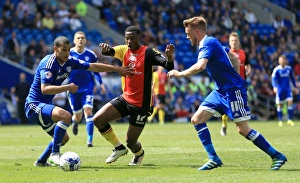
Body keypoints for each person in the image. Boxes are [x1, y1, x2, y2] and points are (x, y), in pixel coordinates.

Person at [167, 16, 287, 171]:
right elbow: (233, 57)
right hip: (220, 90)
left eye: (188, 32)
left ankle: (277, 156)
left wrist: (180, 74)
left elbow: (201, 66)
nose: (186, 36)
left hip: (232, 91)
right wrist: (235, 75)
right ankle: (213, 158)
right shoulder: (211, 42)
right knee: (197, 119)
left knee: (242, 129)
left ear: (197, 31)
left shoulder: (208, 43)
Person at [25, 36, 132, 167]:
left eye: (68, 50)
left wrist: (118, 69)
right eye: (63, 50)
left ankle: (41, 161)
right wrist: (67, 87)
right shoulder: (48, 63)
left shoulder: (70, 61)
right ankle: (54, 155)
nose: (67, 53)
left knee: (63, 138)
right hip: (33, 105)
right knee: (66, 116)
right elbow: (45, 89)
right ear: (55, 49)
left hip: (44, 106)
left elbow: (93, 66)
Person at [93, 26, 174, 165]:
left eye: (132, 38)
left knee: (130, 142)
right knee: (98, 119)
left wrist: (170, 56)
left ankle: (139, 153)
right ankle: (118, 148)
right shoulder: (123, 50)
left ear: (139, 38)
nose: (129, 41)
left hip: (141, 105)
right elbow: (110, 51)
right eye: (127, 38)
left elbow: (168, 66)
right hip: (125, 99)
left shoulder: (149, 52)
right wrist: (105, 50)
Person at [69, 31, 107, 147]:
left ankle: (89, 141)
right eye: (78, 38)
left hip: (87, 87)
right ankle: (75, 122)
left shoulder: (91, 55)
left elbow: (95, 70)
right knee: (78, 116)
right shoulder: (68, 54)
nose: (80, 40)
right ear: (74, 41)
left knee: (88, 111)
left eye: (82, 38)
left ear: (85, 40)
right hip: (73, 88)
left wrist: (100, 83)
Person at [220, 32, 251, 136]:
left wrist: (248, 69)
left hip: (241, 85)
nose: (234, 42)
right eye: (232, 41)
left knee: (243, 106)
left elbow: (247, 64)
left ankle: (244, 127)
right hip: (229, 85)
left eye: (236, 40)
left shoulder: (243, 53)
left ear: (239, 42)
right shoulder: (226, 54)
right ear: (229, 42)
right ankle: (224, 126)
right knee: (227, 107)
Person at [271, 55, 298, 127]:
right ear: (279, 61)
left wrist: (295, 87)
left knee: (290, 102)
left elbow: (292, 79)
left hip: (287, 90)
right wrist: (274, 87)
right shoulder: (276, 70)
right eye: (281, 60)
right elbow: (273, 79)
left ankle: (289, 120)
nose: (282, 61)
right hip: (280, 90)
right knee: (280, 105)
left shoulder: (289, 69)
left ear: (285, 61)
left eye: (283, 60)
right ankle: (280, 120)